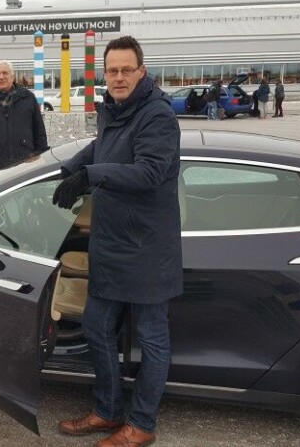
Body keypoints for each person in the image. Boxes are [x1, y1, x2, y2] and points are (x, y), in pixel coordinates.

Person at [54, 36, 183, 447]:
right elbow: (103, 146)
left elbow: (149, 173)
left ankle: (141, 424)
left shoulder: (157, 116)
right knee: (96, 328)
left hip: (146, 248)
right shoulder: (115, 111)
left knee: (151, 339)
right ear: (103, 74)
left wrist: (90, 176)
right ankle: (108, 412)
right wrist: (71, 168)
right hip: (111, 245)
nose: (120, 77)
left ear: (141, 72)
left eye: (127, 69)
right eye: (113, 71)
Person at [0, 60, 48, 175]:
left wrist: (41, 164)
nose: (1, 77)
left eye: (5, 73)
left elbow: (39, 134)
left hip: (25, 165)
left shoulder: (28, 98)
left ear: (12, 76)